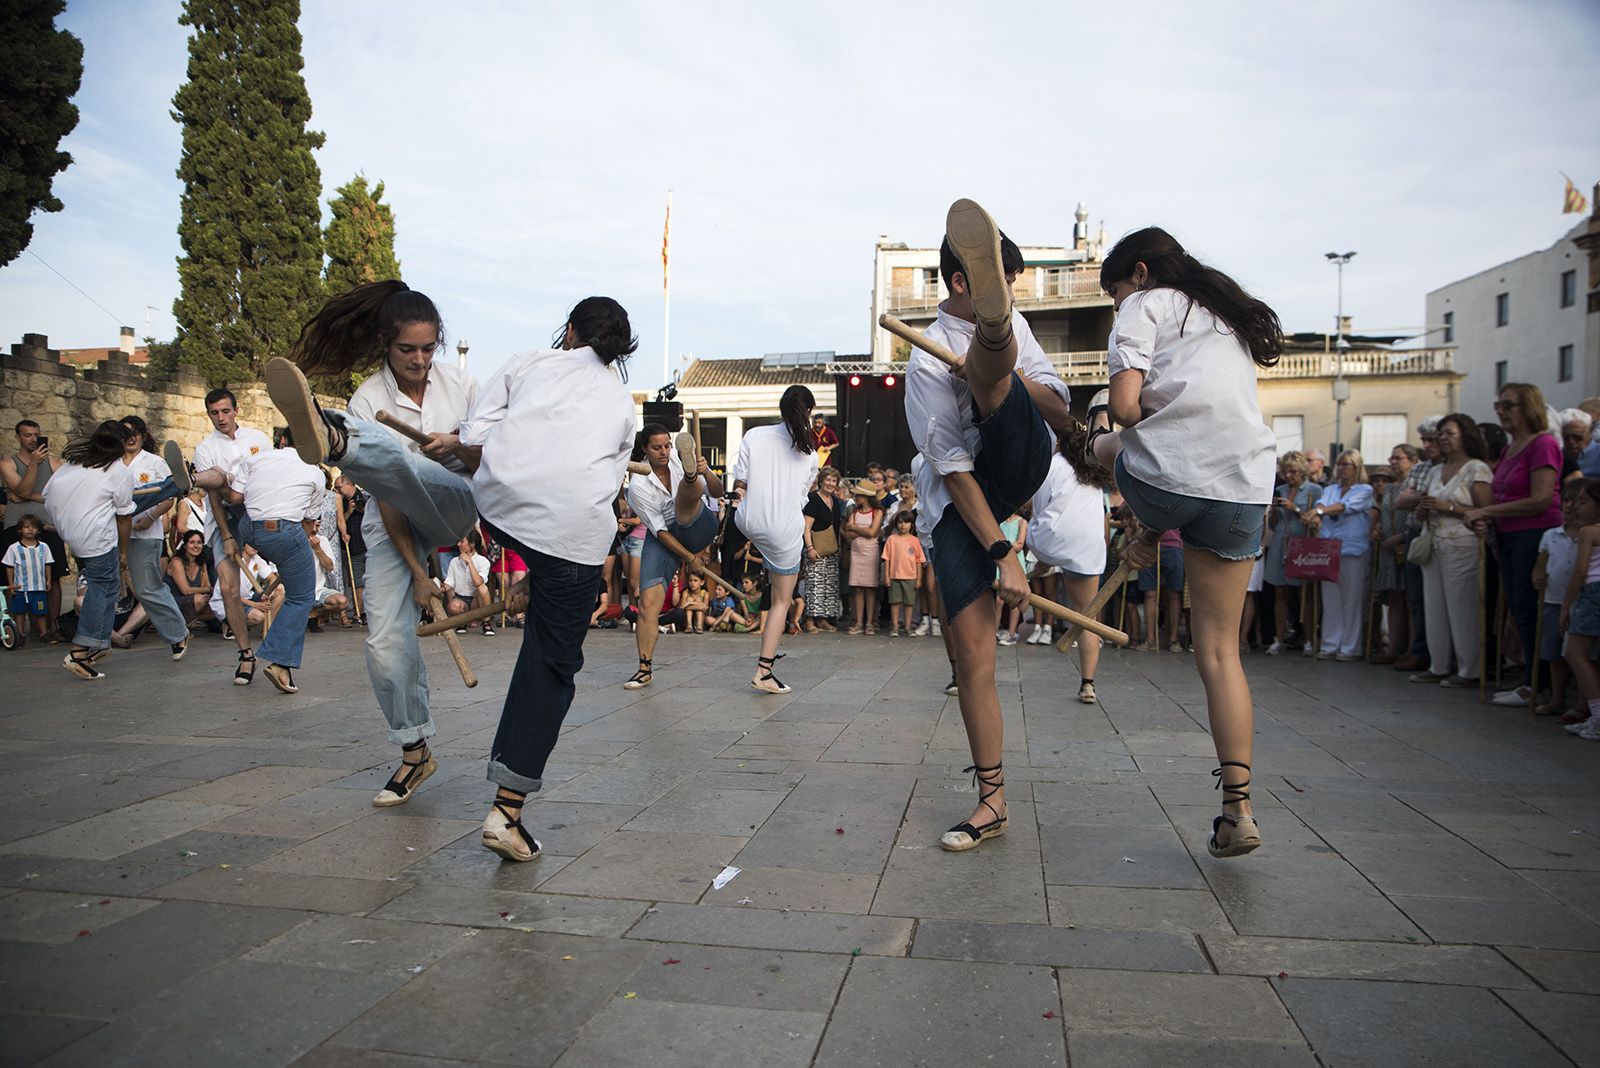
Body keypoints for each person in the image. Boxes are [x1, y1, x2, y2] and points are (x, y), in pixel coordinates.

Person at [1087, 225, 1281, 858]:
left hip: (1169, 483)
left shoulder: (1145, 304)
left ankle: (1134, 509)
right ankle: (1238, 810)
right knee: (1222, 654)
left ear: (1138, 274)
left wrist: (1104, 433)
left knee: (1101, 438)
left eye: (1114, 293)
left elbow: (1126, 408)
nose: (1117, 306)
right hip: (1245, 488)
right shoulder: (1225, 319)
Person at [268, 280, 480, 807]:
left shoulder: (463, 386)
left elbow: (485, 463)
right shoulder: (370, 395)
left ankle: (337, 438)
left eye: (429, 348)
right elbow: (388, 496)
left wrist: (457, 444)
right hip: (392, 519)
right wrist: (415, 570)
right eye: (407, 349)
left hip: (452, 503)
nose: (419, 359)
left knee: (407, 461)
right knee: (384, 640)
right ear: (386, 343)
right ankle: (414, 752)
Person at [906, 200, 1070, 852]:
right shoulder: (925, 360)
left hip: (1020, 457)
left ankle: (992, 359)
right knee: (974, 657)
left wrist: (992, 372)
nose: (1012, 295)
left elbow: (1058, 409)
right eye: (998, 286)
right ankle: (992, 802)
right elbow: (950, 468)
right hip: (963, 500)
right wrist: (1003, 553)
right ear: (961, 282)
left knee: (1001, 384)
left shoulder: (1020, 325)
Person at [455, 296, 637, 862]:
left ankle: (352, 448)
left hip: (502, 511)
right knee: (551, 664)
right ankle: (507, 812)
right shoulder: (622, 405)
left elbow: (471, 439)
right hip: (576, 538)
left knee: (448, 476)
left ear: (571, 330)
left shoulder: (530, 361)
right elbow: (597, 484)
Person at [192, 431, 324, 693]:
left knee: (227, 489)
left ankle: (201, 478)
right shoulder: (316, 472)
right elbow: (309, 521)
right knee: (301, 597)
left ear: (283, 442)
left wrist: (229, 534)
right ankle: (279, 661)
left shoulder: (258, 459)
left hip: (249, 528)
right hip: (285, 531)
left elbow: (234, 498)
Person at [1464, 383, 1563, 707]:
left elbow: (1540, 499)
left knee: (1529, 608)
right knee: (1517, 610)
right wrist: (1486, 516)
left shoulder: (1543, 444)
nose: (1501, 411)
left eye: (1509, 405)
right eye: (1499, 405)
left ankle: (1540, 683)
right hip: (1507, 534)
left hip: (1533, 533)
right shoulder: (1510, 449)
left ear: (1528, 408)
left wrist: (1487, 511)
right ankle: (1530, 679)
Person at [730, 384, 820, 692]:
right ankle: (763, 673)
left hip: (747, 520)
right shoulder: (810, 453)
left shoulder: (754, 435)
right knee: (782, 601)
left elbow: (740, 482)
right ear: (808, 412)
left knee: (769, 565)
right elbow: (803, 493)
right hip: (782, 530)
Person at [623, 422, 725, 689]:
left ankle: (692, 478)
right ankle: (644, 669)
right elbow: (658, 531)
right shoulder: (638, 486)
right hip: (666, 536)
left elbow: (718, 493)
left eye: (668, 446)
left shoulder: (678, 461)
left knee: (684, 505)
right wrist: (689, 558)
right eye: (657, 448)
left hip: (699, 525)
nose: (665, 452)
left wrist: (707, 473)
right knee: (647, 604)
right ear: (645, 449)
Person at [42, 422, 135, 678]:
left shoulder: (72, 463)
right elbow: (125, 518)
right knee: (101, 592)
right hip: (97, 540)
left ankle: (99, 644)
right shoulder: (119, 471)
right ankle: (79, 651)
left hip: (72, 535)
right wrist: (123, 552)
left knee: (108, 586)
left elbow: (47, 497)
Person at [192, 388, 274, 679]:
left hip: (258, 510)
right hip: (225, 512)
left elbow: (271, 477)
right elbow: (214, 499)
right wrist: (226, 535)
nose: (220, 417)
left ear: (236, 410)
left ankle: (281, 652)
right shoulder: (205, 447)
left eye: (225, 411)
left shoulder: (258, 439)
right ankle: (246, 655)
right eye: (214, 413)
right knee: (228, 587)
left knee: (221, 476)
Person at [1027, 422, 1112, 701]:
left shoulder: (1051, 466)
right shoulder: (1094, 476)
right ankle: (1088, 684)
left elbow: (1038, 508)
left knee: (1038, 535)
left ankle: (1038, 565)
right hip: (1088, 546)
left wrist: (1041, 555)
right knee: (1087, 616)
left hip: (1051, 541)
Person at [1408, 415, 1494, 685]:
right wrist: (1423, 509)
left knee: (1462, 606)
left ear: (1465, 436)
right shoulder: (1435, 470)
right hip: (1433, 541)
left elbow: (1485, 511)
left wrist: (1451, 508)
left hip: (1462, 543)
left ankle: (1470, 669)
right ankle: (1438, 664)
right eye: (1441, 434)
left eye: (1449, 433)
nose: (1443, 439)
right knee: (1434, 605)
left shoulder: (1476, 469)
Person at [112, 415, 192, 660]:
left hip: (145, 534)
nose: (131, 437)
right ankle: (93, 642)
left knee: (148, 588)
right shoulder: (111, 463)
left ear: (143, 436)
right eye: (125, 433)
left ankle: (178, 634)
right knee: (105, 587)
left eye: (136, 432)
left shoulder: (155, 462)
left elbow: (169, 497)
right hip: (112, 534)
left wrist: (152, 516)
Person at [1301, 450, 1373, 660]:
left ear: (1357, 467)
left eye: (1347, 465)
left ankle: (1350, 646)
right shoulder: (1331, 488)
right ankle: (1330, 643)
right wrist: (1319, 510)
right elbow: (1322, 503)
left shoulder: (1364, 489)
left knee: (1351, 599)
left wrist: (1319, 512)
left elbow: (1344, 507)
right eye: (1340, 464)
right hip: (1329, 547)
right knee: (1330, 598)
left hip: (1352, 547)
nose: (1342, 468)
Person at [1, 419, 67, 639]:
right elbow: (23, 486)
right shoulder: (8, 463)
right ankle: (15, 628)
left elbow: (60, 496)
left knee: (54, 576)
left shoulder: (55, 464)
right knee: (13, 578)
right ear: (18, 437)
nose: (33, 439)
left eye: (36, 434)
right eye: (28, 435)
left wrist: (25, 497)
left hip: (47, 525)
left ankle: (53, 626)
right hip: (16, 526)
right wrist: (33, 466)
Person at [1533, 482, 1588, 716]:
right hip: (1554, 600)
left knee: (1582, 656)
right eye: (1566, 500)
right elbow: (1540, 565)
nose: (1571, 507)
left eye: (1579, 502)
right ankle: (1557, 697)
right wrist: (1537, 576)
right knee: (1554, 652)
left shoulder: (1591, 535)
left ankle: (1583, 703)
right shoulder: (1550, 535)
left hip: (1582, 602)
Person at [1393, 417, 1443, 671]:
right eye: (1424, 439)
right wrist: (1423, 499)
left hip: (1444, 534)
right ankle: (1420, 649)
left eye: (1432, 439)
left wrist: (1423, 499)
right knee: (1418, 599)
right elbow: (1401, 501)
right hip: (1417, 533)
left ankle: (1443, 658)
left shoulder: (1451, 467)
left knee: (1443, 601)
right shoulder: (1421, 469)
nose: (1427, 444)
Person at [1262, 452, 1316, 655]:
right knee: (1279, 592)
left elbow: (1313, 520)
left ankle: (1309, 639)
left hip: (1301, 544)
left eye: (1293, 471)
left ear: (1302, 471)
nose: (1289, 475)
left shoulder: (1314, 490)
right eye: (1285, 471)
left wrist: (1294, 508)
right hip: (1279, 543)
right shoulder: (1280, 489)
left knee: (1305, 594)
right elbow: (1274, 525)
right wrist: (1275, 511)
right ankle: (1279, 638)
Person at [1559, 478, 1600, 740]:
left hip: (1593, 593)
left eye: (1584, 502)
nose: (1577, 508)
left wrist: (1566, 606)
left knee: (1575, 652)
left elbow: (1580, 571)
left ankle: (1598, 716)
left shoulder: (1589, 532)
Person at [1372, 444, 1420, 662]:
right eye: (1392, 457)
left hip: (1406, 544)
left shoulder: (1415, 486)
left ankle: (1412, 648)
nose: (1393, 462)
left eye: (1398, 458)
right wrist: (1379, 530)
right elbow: (1384, 513)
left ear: (1411, 460)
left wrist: (1400, 536)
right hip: (1388, 550)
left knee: (1411, 598)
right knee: (1393, 598)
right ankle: (1392, 647)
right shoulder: (1390, 488)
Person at [801, 466, 844, 632]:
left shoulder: (835, 501)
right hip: (816, 548)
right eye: (828, 480)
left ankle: (823, 619)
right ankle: (810, 620)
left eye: (834, 480)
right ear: (821, 481)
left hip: (831, 549)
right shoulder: (813, 498)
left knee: (829, 586)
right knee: (815, 584)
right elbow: (806, 526)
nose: (830, 483)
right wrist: (809, 547)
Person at [3, 513, 53, 640]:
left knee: (41, 612)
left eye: (34, 527)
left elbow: (47, 564)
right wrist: (11, 584)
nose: (30, 529)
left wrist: (48, 580)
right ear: (20, 530)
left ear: (38, 530)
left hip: (38, 588)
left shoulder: (43, 547)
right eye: (26, 527)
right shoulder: (14, 548)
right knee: (19, 612)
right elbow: (9, 567)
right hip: (20, 588)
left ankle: (43, 633)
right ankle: (19, 634)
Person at [844, 480, 884, 634]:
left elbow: (872, 533)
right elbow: (848, 533)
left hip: (870, 552)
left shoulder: (877, 512)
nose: (856, 497)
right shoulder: (854, 511)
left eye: (859, 495)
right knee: (858, 588)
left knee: (870, 589)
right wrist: (863, 530)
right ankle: (859, 622)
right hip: (856, 552)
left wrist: (854, 528)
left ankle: (870, 622)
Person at [882, 509, 927, 638]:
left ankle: (908, 627)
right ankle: (895, 627)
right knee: (895, 602)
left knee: (909, 603)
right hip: (895, 576)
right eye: (900, 522)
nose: (903, 525)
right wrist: (886, 576)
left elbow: (919, 560)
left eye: (906, 522)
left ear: (912, 524)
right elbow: (887, 559)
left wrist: (919, 578)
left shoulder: (915, 541)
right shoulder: (891, 539)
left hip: (910, 577)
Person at [443, 531, 493, 634]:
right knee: (453, 606)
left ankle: (487, 623)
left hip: (476, 600)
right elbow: (449, 582)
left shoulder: (483, 561)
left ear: (472, 544)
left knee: (483, 588)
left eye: (462, 542)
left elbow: (478, 582)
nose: (458, 545)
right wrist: (440, 588)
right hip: (461, 599)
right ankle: (462, 622)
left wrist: (469, 562)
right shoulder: (454, 561)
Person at [166, 529, 217, 627]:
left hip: (190, 599)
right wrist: (208, 589)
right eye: (192, 542)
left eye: (199, 542)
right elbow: (186, 590)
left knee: (216, 608)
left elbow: (206, 585)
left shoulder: (201, 563)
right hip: (172, 600)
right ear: (185, 545)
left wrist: (208, 590)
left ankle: (190, 621)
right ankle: (181, 626)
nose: (196, 546)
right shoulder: (177, 562)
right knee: (199, 599)